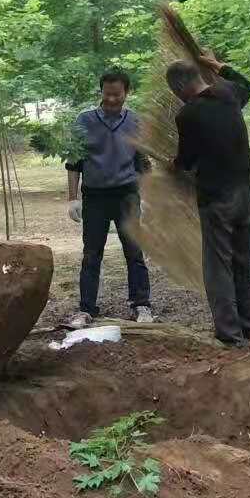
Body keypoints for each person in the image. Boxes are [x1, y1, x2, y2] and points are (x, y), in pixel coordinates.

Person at [166, 56, 250, 347]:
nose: (176, 97)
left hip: (217, 197)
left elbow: (187, 161)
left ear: (181, 85)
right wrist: (217, 64)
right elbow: (247, 84)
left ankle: (230, 336)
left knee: (218, 265)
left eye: (174, 91)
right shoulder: (229, 94)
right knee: (244, 261)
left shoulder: (188, 115)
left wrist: (173, 166)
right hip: (246, 191)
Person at [65, 67, 153, 326]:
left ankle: (141, 305)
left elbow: (143, 162)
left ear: (127, 92)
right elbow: (73, 163)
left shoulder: (135, 121)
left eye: (117, 94)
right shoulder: (84, 120)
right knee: (92, 253)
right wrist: (72, 198)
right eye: (107, 94)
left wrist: (146, 195)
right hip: (95, 197)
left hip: (127, 194)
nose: (112, 99)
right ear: (101, 92)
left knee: (134, 251)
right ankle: (86, 308)